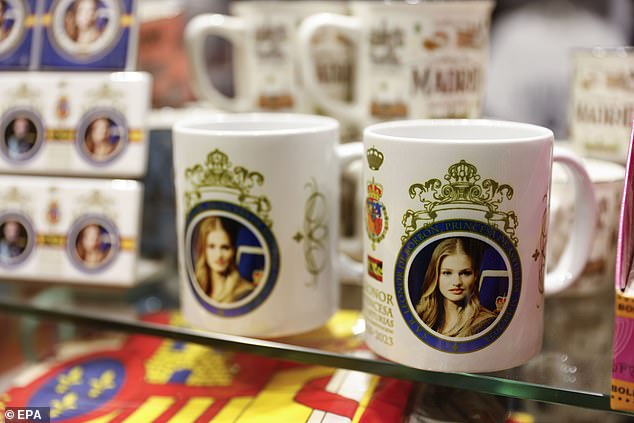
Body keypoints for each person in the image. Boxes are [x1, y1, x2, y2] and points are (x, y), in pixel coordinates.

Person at [415, 237, 497, 337]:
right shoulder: (422, 317)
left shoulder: (486, 324)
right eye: (447, 273)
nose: (457, 282)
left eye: (465, 273)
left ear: (475, 276)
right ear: (435, 276)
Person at [194, 216, 255, 303]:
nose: (219, 255)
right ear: (203, 249)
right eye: (211, 246)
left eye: (225, 247)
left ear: (233, 250)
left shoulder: (245, 293)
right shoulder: (197, 285)